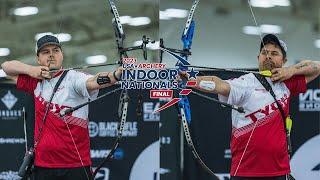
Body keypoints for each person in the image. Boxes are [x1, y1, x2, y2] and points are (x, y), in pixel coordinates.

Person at [194, 34, 320, 180]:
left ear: (283, 61)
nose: (268, 56)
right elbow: (219, 84)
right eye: (264, 53)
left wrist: (291, 70)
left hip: (279, 170)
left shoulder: (287, 83)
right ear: (258, 57)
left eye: (274, 53)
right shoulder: (246, 83)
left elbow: (316, 67)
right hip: (246, 171)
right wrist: (191, 81)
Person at [1, 35, 122, 180]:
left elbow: (93, 81)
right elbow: (6, 67)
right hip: (43, 166)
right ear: (38, 59)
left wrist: (115, 75)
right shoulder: (35, 81)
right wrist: (31, 70)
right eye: (45, 52)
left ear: (62, 55)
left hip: (75, 166)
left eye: (56, 50)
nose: (51, 55)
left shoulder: (74, 78)